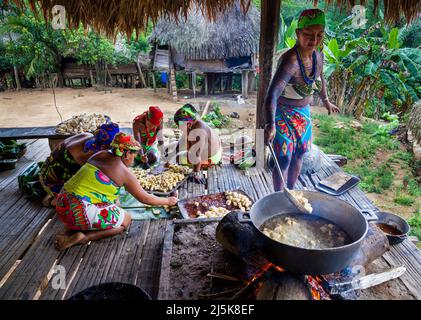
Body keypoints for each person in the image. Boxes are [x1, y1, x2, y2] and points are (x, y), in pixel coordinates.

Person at [54, 132, 178, 251]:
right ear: (127, 153)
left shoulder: (99, 155)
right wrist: (168, 200)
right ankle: (84, 237)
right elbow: (145, 199)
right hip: (78, 211)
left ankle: (67, 230)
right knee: (126, 220)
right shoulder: (124, 172)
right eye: (134, 155)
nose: (134, 160)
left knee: (107, 203)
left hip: (61, 203)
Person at [264, 8, 339, 191]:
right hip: (282, 114)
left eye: (319, 35)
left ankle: (291, 191)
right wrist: (271, 125)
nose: (314, 41)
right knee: (284, 157)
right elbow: (272, 94)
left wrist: (326, 100)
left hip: (303, 114)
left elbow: (320, 80)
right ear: (298, 33)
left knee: (299, 153)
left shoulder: (318, 56)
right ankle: (278, 195)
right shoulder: (290, 61)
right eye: (308, 35)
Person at [39, 122, 120, 206]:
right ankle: (54, 200)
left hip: (44, 171)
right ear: (106, 146)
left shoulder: (87, 135)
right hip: (51, 183)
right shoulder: (90, 155)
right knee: (93, 198)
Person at [172, 104, 222, 184]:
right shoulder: (193, 123)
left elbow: (196, 156)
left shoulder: (198, 132)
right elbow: (182, 140)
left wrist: (196, 173)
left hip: (211, 158)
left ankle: (198, 168)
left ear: (188, 124)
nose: (178, 128)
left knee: (181, 160)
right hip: (213, 150)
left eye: (179, 125)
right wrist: (174, 152)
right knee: (179, 151)